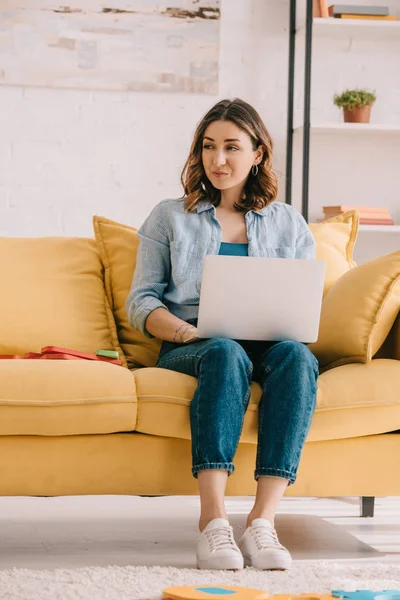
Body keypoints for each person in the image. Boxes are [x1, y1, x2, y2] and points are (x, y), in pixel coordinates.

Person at [126, 98, 319, 572]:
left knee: (298, 358)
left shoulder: (289, 222)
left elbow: (303, 301)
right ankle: (213, 523)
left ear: (258, 154)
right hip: (193, 347)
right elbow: (141, 302)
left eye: (232, 147)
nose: (218, 160)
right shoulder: (170, 216)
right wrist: (185, 330)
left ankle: (261, 522)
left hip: (268, 346)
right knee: (226, 351)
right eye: (208, 147)